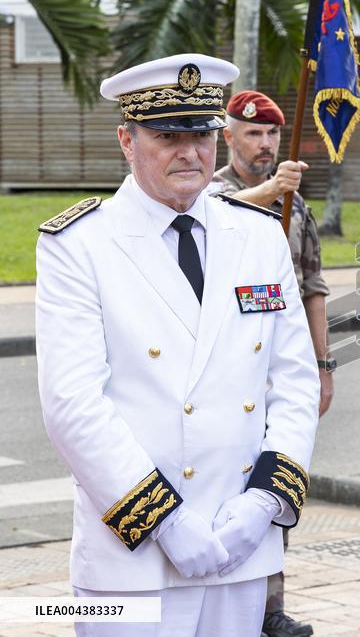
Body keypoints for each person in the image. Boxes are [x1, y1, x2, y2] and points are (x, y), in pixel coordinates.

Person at [35, 54, 319, 636]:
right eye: (168, 136)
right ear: (126, 139)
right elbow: (73, 406)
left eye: (203, 134)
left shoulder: (260, 234)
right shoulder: (79, 244)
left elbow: (294, 380)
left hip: (242, 548)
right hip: (128, 558)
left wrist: (263, 505)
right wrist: (167, 523)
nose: (190, 153)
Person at [211, 90, 331, 637]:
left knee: (274, 483)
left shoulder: (294, 206)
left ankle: (269, 607)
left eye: (271, 135)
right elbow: (212, 219)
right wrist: (269, 191)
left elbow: (312, 288)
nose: (263, 144)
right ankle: (218, 600)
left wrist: (323, 365)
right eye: (252, 133)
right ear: (228, 135)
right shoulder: (209, 192)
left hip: (275, 370)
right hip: (221, 370)